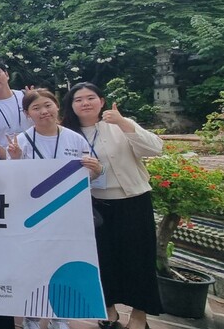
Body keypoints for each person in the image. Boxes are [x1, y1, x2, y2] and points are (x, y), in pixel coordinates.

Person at [62, 82, 163, 329]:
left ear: (102, 101)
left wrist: (123, 123)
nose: (85, 103)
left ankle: (139, 315)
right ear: (71, 105)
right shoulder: (67, 135)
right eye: (78, 99)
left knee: (139, 260)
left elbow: (155, 149)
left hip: (133, 202)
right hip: (94, 205)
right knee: (103, 260)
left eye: (90, 98)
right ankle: (109, 311)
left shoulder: (119, 125)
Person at [7, 89, 102, 329]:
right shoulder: (21, 142)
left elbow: (91, 176)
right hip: (34, 215)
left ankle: (60, 315)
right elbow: (11, 180)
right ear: (28, 114)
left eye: (47, 105)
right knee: (33, 264)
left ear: (57, 106)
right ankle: (31, 315)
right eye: (36, 108)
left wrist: (97, 170)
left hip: (68, 214)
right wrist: (15, 158)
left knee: (65, 262)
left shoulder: (74, 139)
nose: (43, 112)